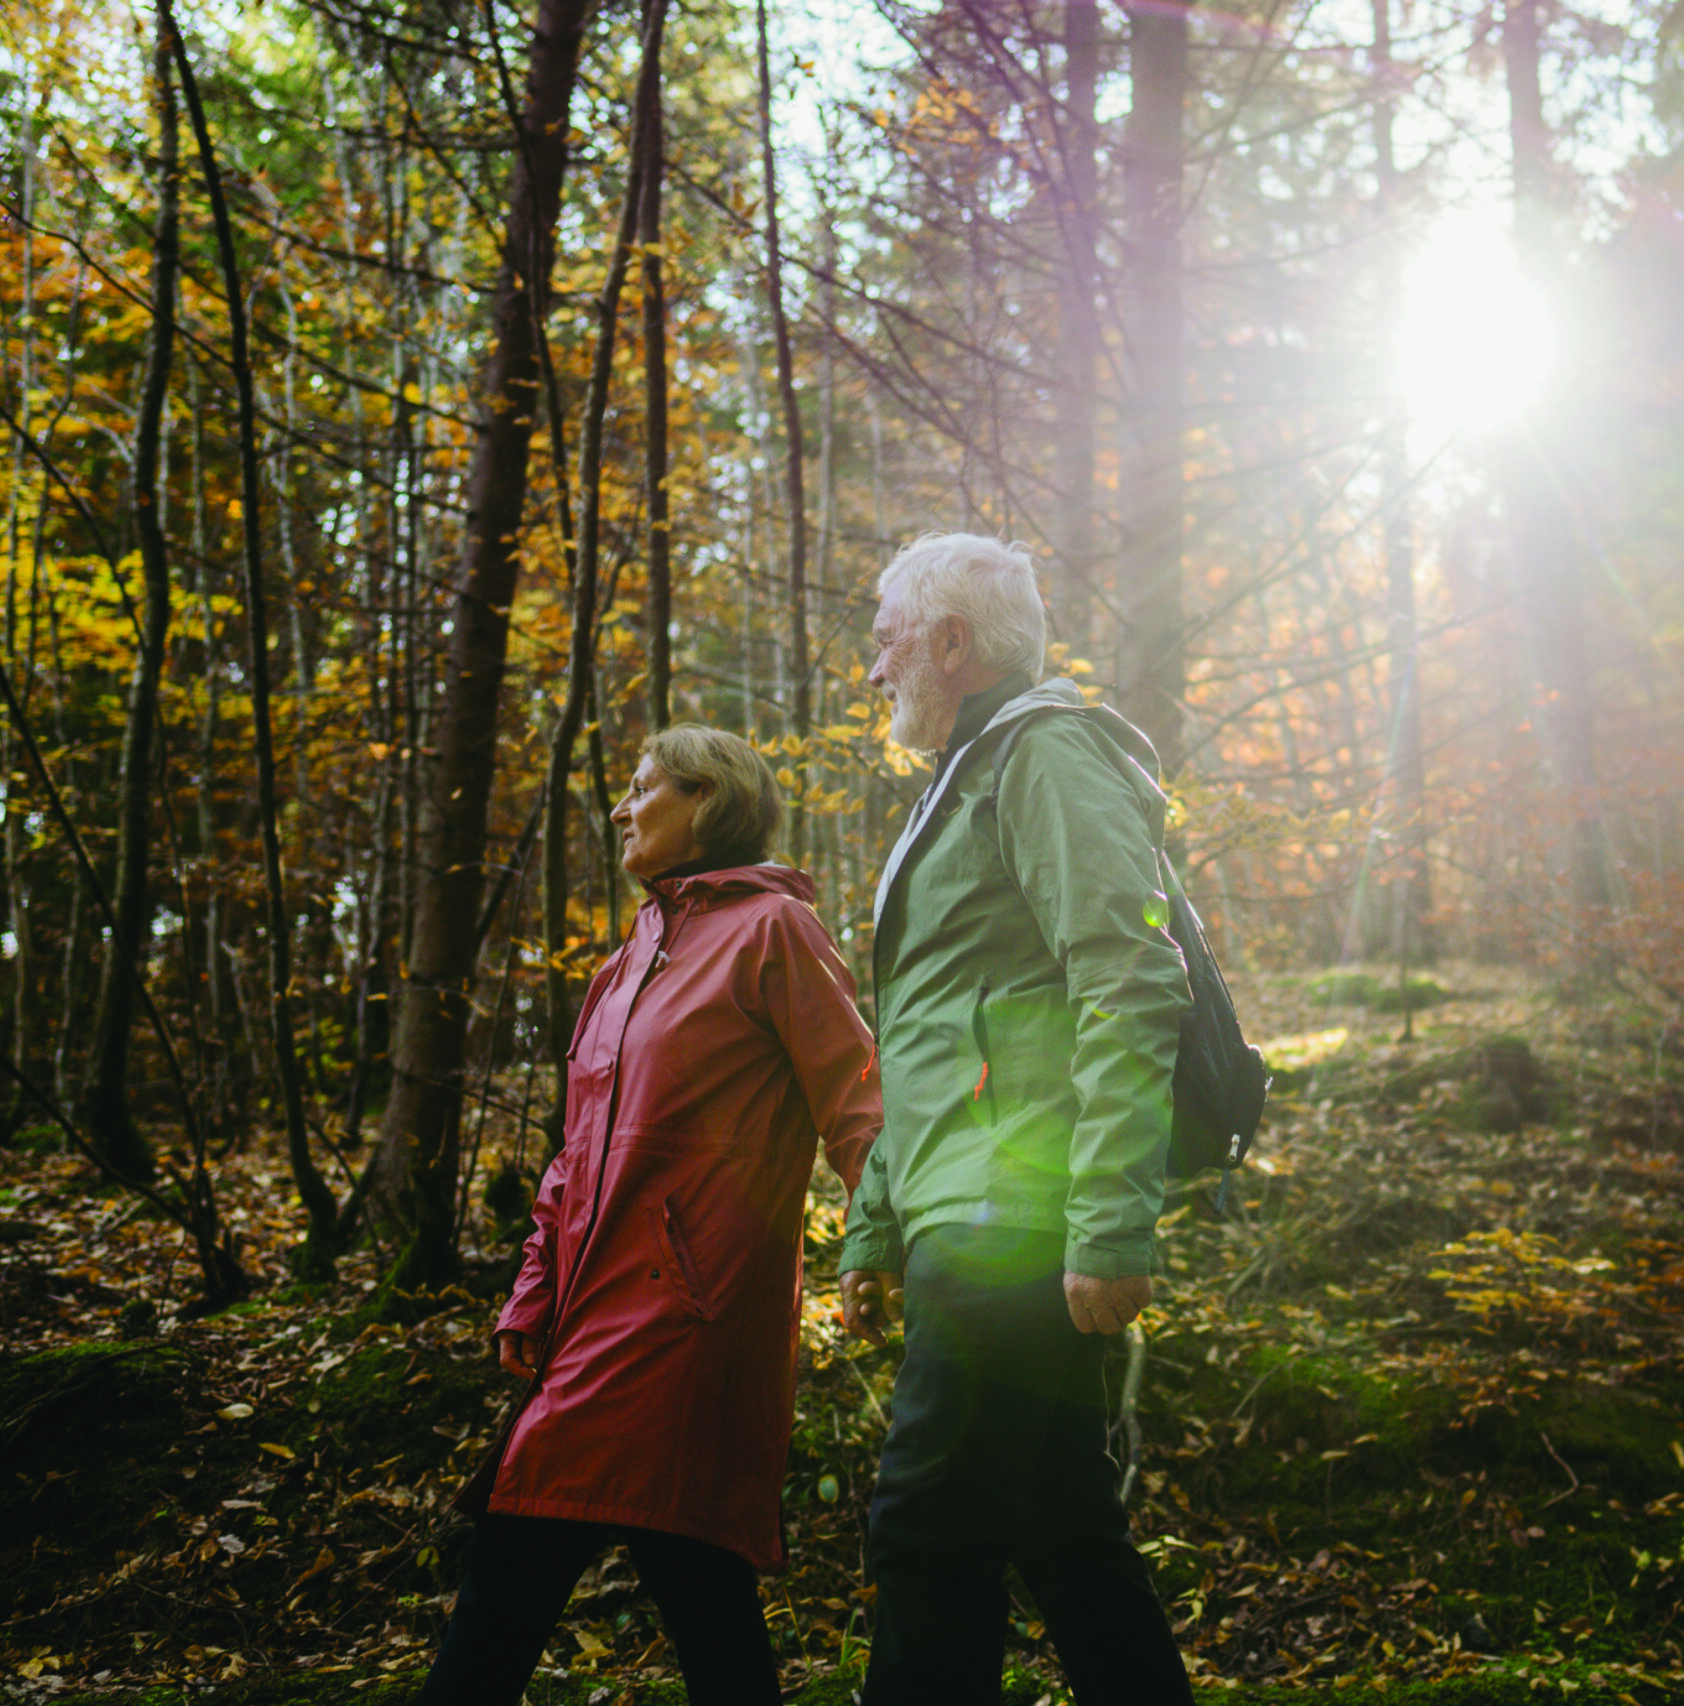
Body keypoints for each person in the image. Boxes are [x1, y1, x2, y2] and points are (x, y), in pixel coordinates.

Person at [419, 724, 883, 1706]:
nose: (621, 807)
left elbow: (859, 1101)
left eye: (644, 787)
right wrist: (530, 1296)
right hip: (592, 1310)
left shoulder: (773, 930)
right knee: (690, 1570)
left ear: (708, 799)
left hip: (689, 1314)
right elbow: (575, 1153)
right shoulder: (628, 955)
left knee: (523, 1541)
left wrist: (879, 1243)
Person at [839, 531, 1196, 1706]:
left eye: (889, 640)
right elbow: (934, 1025)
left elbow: (1130, 978)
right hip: (967, 1200)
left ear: (953, 641)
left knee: (928, 1528)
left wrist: (1109, 1224)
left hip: (1017, 1206)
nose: (876, 668)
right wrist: (876, 1224)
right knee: (1063, 1537)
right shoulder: (970, 772)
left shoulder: (1041, 753)